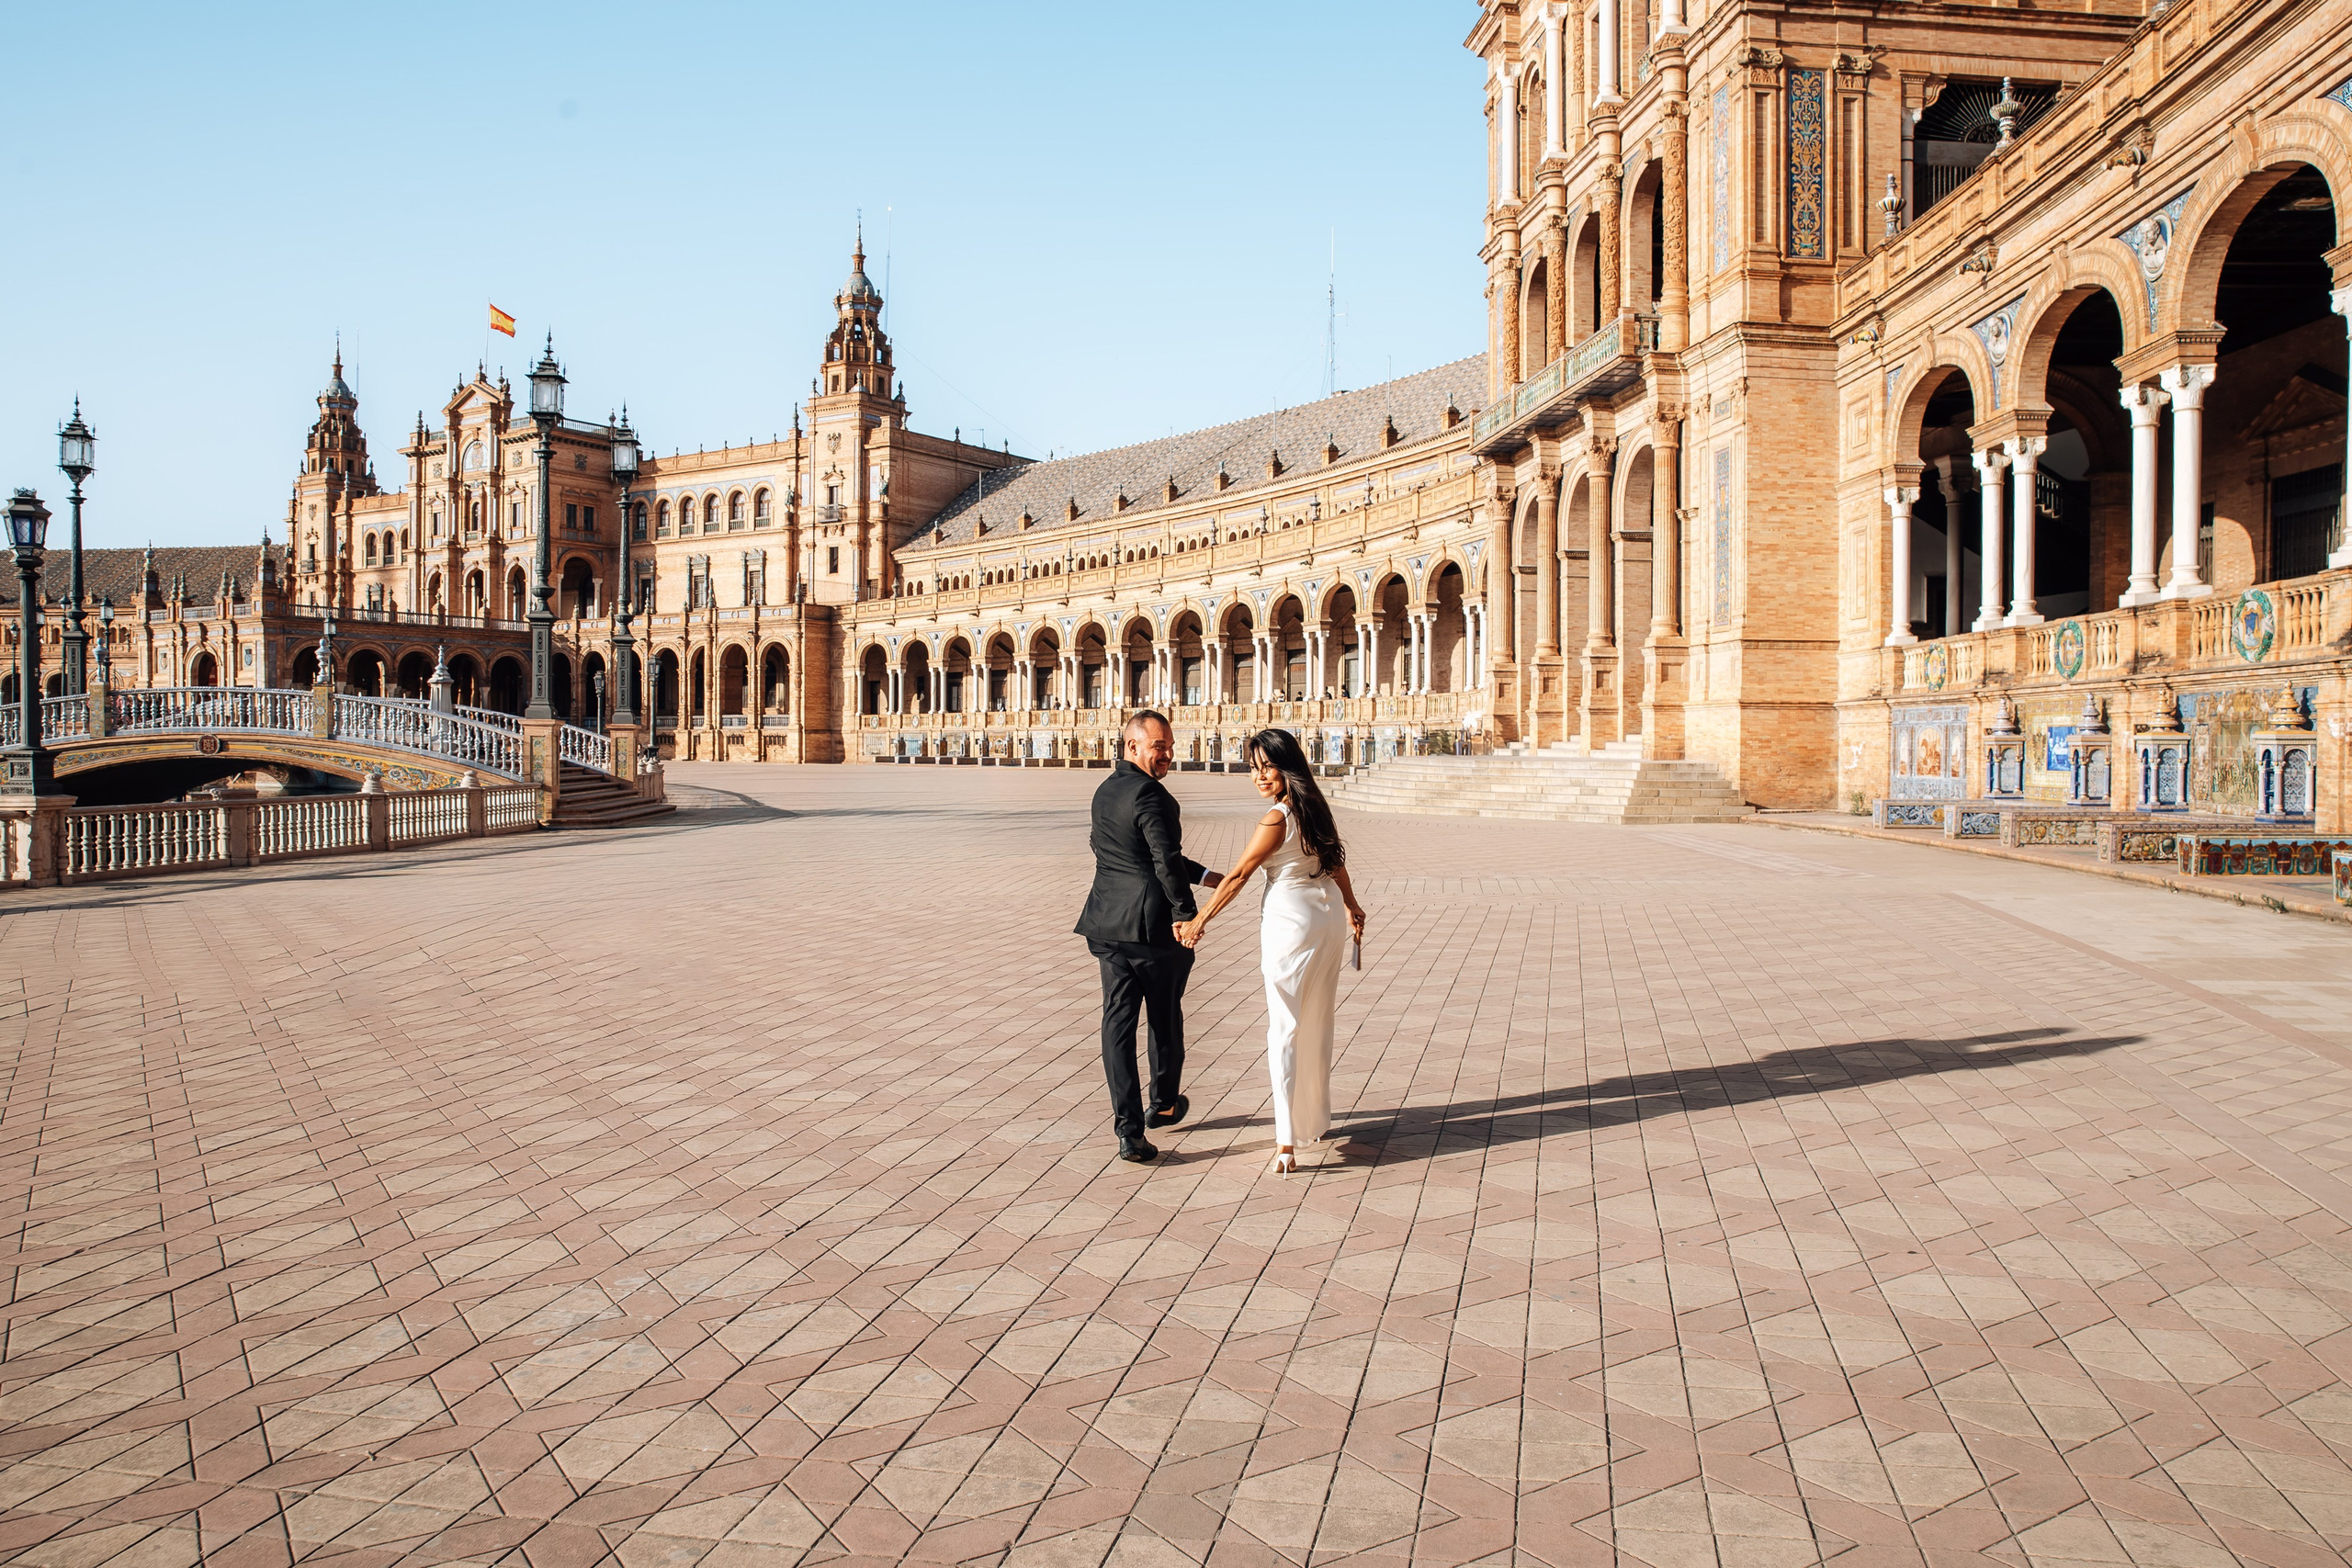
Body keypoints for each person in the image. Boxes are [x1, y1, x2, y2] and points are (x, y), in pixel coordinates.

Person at [1176, 728, 1367, 1175]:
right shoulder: (1315, 807)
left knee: (1285, 1026)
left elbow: (1241, 873)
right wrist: (1353, 905)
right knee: (1318, 1019)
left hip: (1292, 925)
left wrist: (1199, 922)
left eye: (1268, 766)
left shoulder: (1277, 818)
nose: (1260, 776)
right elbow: (1334, 860)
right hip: (1328, 921)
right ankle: (1314, 1120)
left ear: (1288, 766)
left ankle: (1286, 1141)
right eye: (1253, 768)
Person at [1074, 710, 1222, 1163]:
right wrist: (1186, 914)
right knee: (1163, 1016)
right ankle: (1163, 1103)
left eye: (1170, 746)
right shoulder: (1154, 796)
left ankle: (1128, 1130)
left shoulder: (1105, 790)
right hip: (1153, 929)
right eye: (1159, 747)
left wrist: (1202, 874)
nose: (1168, 755)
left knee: (1117, 1025)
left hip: (1106, 923)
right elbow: (1163, 859)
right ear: (1132, 746)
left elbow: (1123, 851)